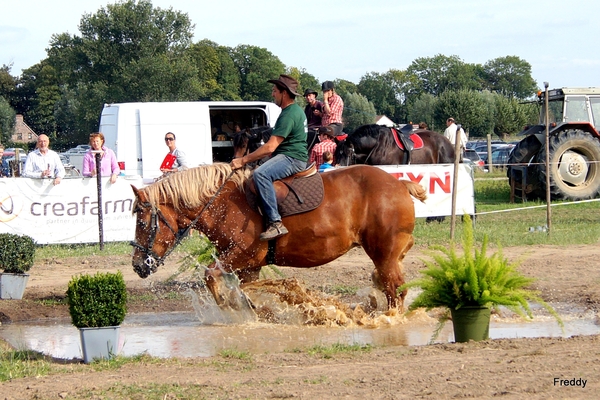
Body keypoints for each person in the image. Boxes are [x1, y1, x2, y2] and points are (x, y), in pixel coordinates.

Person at [230, 74, 308, 241]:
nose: (272, 94)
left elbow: (271, 146)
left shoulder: (289, 114)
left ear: (284, 93)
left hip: (291, 158)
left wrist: (242, 160)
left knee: (261, 174)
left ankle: (275, 222)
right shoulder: (292, 111)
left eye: (274, 91)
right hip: (288, 155)